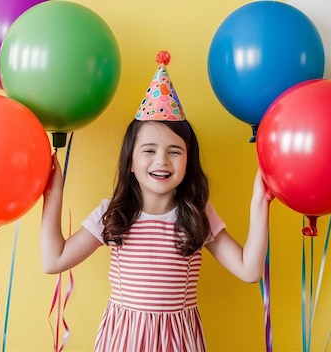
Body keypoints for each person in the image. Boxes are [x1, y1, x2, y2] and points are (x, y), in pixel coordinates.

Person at [40, 51, 272, 352]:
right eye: (148, 150)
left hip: (179, 342)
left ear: (188, 162)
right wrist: (53, 194)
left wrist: (260, 201)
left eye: (175, 151)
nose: (162, 160)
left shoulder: (197, 215)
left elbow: (249, 270)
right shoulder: (114, 213)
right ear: (131, 162)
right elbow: (53, 260)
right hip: (123, 341)